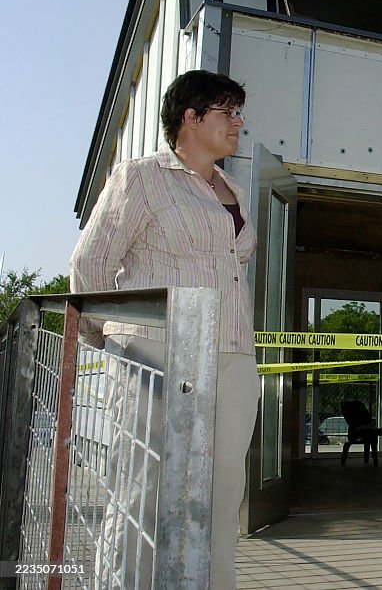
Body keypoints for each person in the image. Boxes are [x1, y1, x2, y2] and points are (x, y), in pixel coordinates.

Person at [70, 70, 259, 589]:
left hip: (233, 352)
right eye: (227, 111)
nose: (238, 122)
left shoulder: (236, 191)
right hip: (155, 349)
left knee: (223, 490)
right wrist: (112, 339)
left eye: (239, 112)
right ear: (190, 118)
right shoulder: (141, 178)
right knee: (144, 486)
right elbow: (91, 264)